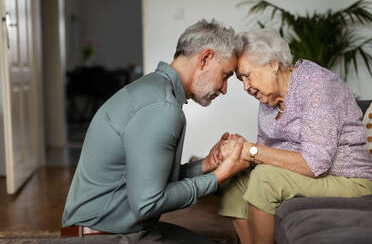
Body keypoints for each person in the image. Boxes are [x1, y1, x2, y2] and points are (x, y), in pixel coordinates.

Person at [61, 19, 249, 244]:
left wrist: (206, 165)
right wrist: (219, 177)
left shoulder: (153, 90)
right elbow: (147, 203)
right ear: (205, 58)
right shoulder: (162, 107)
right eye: (226, 75)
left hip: (109, 229)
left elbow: (149, 179)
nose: (224, 89)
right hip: (106, 237)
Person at [218, 28, 372, 244]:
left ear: (272, 64)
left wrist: (250, 150)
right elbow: (263, 152)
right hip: (313, 176)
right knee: (235, 178)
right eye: (240, 80)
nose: (245, 87)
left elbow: (315, 165)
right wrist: (235, 151)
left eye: (247, 76)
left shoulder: (316, 85)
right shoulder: (268, 98)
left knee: (264, 178)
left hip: (348, 179)